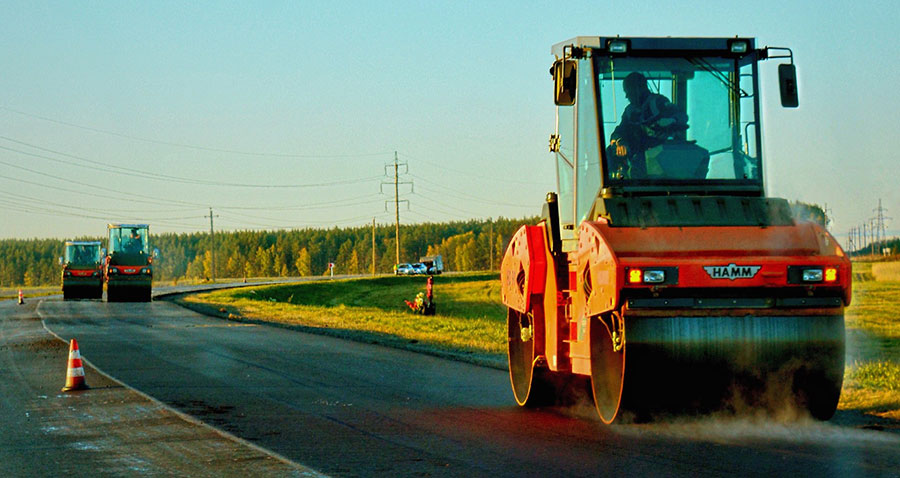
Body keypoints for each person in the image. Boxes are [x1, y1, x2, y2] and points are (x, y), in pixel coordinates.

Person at [608, 72, 688, 178]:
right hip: (638, 155)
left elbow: (682, 117)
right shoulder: (630, 111)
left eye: (629, 91)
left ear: (640, 87)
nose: (627, 96)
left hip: (659, 154)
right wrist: (620, 142)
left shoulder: (658, 102)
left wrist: (671, 121)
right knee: (609, 153)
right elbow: (618, 132)